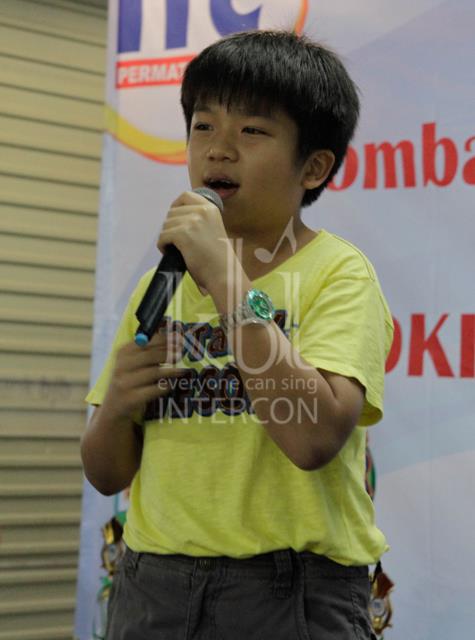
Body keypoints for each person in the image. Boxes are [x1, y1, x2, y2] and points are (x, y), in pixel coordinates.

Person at [81, 29, 394, 640]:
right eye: (203, 126)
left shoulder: (338, 274)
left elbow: (311, 438)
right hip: (151, 586)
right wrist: (116, 407)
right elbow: (106, 473)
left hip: (288, 593)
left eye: (252, 131)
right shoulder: (162, 283)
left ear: (314, 167)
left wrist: (225, 277)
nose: (219, 149)